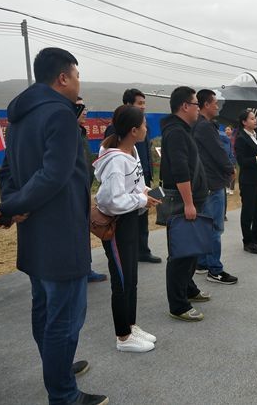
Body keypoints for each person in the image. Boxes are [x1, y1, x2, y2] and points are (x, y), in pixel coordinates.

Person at [0, 47, 107, 405]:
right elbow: (54, 175)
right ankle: (63, 395)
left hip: (35, 234)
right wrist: (14, 206)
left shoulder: (20, 116)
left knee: (44, 309)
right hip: (61, 234)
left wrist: (14, 204)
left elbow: (7, 171)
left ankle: (56, 368)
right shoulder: (59, 114)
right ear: (62, 77)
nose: (78, 82)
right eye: (76, 75)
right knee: (64, 319)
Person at [93, 105, 160, 352]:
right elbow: (112, 200)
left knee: (131, 277)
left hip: (131, 219)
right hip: (118, 224)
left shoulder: (132, 151)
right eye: (144, 125)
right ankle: (123, 337)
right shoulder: (115, 160)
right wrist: (141, 200)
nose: (146, 129)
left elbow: (134, 185)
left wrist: (146, 193)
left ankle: (130, 325)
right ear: (133, 130)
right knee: (121, 280)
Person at [160, 86, 210, 322]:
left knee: (191, 249)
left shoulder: (183, 130)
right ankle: (178, 305)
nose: (199, 108)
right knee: (181, 252)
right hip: (182, 201)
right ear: (184, 106)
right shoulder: (176, 132)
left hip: (192, 199)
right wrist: (189, 203)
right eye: (196, 104)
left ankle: (188, 289)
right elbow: (180, 171)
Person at [105, 89, 161, 264]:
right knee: (128, 220)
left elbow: (143, 153)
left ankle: (142, 250)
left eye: (144, 103)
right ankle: (128, 252)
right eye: (139, 103)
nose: (143, 107)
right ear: (128, 105)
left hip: (141, 176)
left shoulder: (142, 128)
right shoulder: (116, 130)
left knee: (142, 218)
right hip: (126, 182)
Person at [192, 89, 238, 284]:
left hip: (205, 181)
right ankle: (215, 270)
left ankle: (202, 262)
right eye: (215, 103)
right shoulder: (205, 126)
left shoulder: (197, 124)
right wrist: (230, 168)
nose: (217, 106)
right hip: (212, 182)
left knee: (205, 225)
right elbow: (218, 152)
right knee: (214, 228)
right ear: (205, 105)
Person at [76, 97, 107, 283]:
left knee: (83, 230)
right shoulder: (68, 135)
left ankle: (85, 268)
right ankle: (79, 270)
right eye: (80, 108)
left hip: (85, 190)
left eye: (85, 107)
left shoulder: (81, 132)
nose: (85, 111)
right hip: (74, 193)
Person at [235, 110, 257, 254]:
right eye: (252, 118)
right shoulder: (241, 138)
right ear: (244, 122)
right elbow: (241, 161)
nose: (255, 121)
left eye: (255, 118)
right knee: (248, 211)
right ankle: (247, 241)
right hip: (248, 180)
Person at [222, 125, 236, 194]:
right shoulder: (222, 139)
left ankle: (231, 188)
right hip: (225, 158)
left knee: (232, 172)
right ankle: (227, 187)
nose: (227, 131)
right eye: (225, 130)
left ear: (232, 131)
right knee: (226, 173)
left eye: (228, 129)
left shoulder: (234, 139)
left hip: (233, 158)